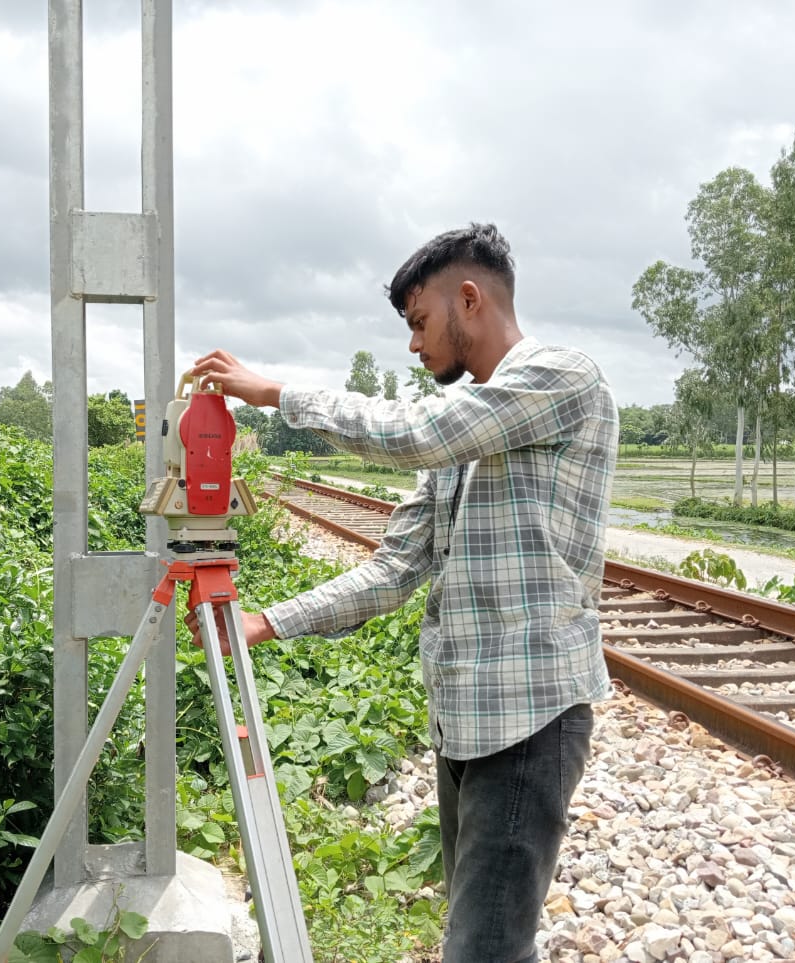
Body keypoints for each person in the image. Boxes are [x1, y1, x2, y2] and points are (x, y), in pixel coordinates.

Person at [189, 222, 618, 962]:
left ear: (471, 299)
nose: (415, 346)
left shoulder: (560, 378)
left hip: (529, 720)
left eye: (421, 323)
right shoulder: (465, 442)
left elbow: (414, 432)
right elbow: (394, 569)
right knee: (482, 936)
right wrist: (267, 622)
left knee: (483, 948)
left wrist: (279, 393)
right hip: (466, 723)